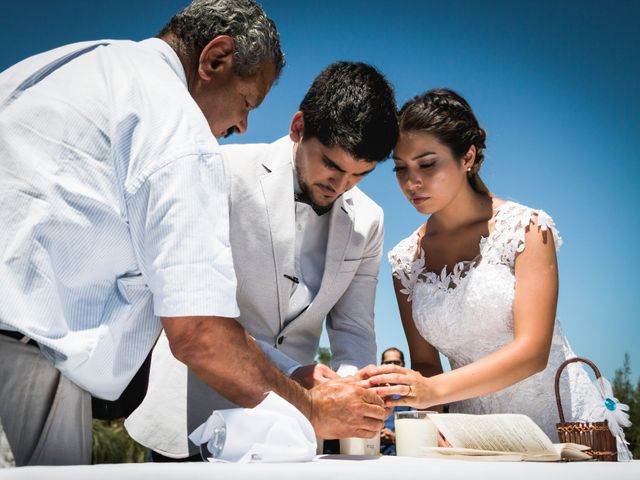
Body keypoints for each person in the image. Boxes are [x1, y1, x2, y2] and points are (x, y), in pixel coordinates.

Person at [0, 0, 386, 466]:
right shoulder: (180, 131)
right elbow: (199, 331)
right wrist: (309, 408)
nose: (242, 125)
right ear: (215, 59)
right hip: (25, 371)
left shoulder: (57, 67)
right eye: (247, 101)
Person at [125, 61, 399, 460]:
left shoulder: (369, 220)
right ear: (298, 127)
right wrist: (292, 374)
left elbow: (355, 332)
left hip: (289, 432)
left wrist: (348, 393)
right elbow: (200, 310)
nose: (340, 187)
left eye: (360, 174)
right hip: (192, 413)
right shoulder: (221, 171)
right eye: (332, 165)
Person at [364, 88, 601, 441]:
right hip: (471, 435)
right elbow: (426, 365)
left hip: (560, 427)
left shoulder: (527, 229)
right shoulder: (405, 260)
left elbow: (532, 351)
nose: (411, 182)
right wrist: (400, 392)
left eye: (427, 164)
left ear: (468, 157)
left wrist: (432, 390)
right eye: (400, 168)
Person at [378, 348, 412, 456]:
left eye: (396, 362)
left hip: (402, 450)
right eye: (388, 363)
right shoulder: (372, 389)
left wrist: (393, 437)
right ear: (381, 365)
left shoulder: (412, 392)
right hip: (373, 448)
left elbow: (417, 427)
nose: (392, 366)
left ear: (403, 364)